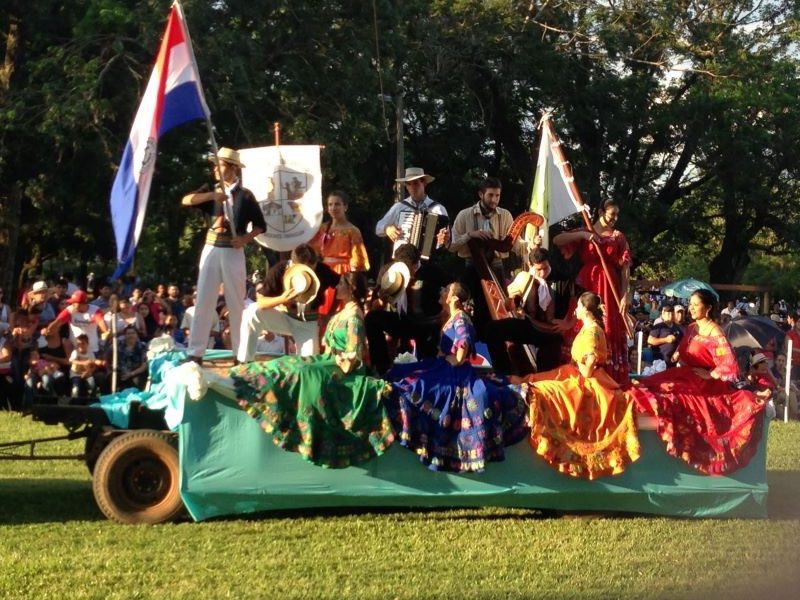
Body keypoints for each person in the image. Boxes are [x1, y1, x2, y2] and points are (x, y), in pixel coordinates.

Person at [229, 272, 394, 468]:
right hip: (330, 360)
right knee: (292, 364)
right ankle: (253, 376)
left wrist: (337, 360)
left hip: (343, 368)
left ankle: (304, 432)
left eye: (341, 284)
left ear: (350, 289)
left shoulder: (354, 315)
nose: (336, 287)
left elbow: (354, 356)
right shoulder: (344, 311)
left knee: (305, 373)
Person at [384, 282, 527, 472]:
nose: (442, 290)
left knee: (421, 387)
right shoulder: (453, 318)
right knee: (409, 378)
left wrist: (448, 359)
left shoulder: (460, 320)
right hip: (445, 366)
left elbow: (461, 353)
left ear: (454, 299)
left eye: (446, 290)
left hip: (455, 372)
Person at [628, 289, 766, 475]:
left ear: (707, 308)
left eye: (695, 304)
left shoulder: (715, 331)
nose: (690, 308)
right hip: (684, 374)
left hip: (703, 382)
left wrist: (710, 375)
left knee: (670, 397)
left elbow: (729, 364)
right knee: (646, 387)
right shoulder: (692, 327)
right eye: (690, 304)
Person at [510, 292, 640, 479]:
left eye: (578, 307)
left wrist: (574, 366)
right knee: (535, 380)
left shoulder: (593, 332)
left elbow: (587, 371)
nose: (576, 310)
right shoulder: (588, 329)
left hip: (588, 382)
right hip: (576, 374)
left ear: (586, 310)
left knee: (546, 390)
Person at [182, 147, 267, 365]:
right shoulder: (211, 190)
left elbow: (260, 226)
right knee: (204, 299)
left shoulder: (245, 196)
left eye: (219, 165)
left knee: (236, 302)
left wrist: (245, 239)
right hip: (211, 247)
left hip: (233, 251)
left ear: (232, 169)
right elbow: (186, 200)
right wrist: (212, 195)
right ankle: (196, 352)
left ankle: (240, 353)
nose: (215, 169)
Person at [553, 200, 632, 383]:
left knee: (607, 325)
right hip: (587, 282)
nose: (615, 219)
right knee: (581, 320)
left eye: (617, 215)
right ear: (600, 212)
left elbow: (625, 268)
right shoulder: (586, 231)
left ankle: (608, 375)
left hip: (609, 284)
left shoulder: (618, 237)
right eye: (612, 214)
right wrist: (582, 234)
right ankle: (577, 368)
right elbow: (558, 240)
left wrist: (625, 293)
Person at [237, 244, 339, 362]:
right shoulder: (280, 269)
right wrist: (281, 299)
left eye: (312, 269)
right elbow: (261, 300)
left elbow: (341, 285)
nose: (309, 273)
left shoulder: (322, 270)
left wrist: (331, 313)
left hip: (307, 322)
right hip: (283, 316)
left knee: (309, 364)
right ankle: (244, 361)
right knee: (251, 312)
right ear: (293, 264)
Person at [365, 243, 453, 374]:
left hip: (428, 324)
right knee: (372, 319)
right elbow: (375, 306)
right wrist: (381, 299)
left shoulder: (432, 272)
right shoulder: (388, 273)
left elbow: (453, 288)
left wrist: (445, 314)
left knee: (427, 360)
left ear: (415, 264)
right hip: (402, 320)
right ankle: (382, 368)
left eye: (407, 266)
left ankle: (429, 375)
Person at [481, 247, 567, 374]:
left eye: (546, 268)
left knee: (546, 372)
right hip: (532, 328)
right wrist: (512, 298)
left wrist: (568, 322)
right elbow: (508, 307)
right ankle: (505, 372)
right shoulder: (524, 278)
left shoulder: (561, 279)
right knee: (491, 329)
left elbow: (579, 301)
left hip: (550, 334)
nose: (543, 273)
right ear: (530, 265)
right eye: (539, 270)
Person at [375, 167, 449, 258]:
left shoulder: (437, 209)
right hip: (401, 259)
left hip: (428, 262)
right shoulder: (399, 207)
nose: (412, 187)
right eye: (409, 184)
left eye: (415, 183)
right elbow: (378, 227)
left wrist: (444, 240)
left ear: (424, 183)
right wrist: (387, 228)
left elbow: (449, 239)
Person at [308, 191, 370, 274]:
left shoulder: (352, 231)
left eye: (337, 204)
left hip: (343, 273)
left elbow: (358, 260)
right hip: (324, 271)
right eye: (330, 204)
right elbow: (312, 250)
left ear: (345, 207)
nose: (333, 208)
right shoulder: (322, 228)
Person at [108, 326, 148, 391]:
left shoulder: (142, 346)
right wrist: (109, 370)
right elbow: (107, 357)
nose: (131, 335)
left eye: (133, 333)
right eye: (128, 333)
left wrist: (131, 374)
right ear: (124, 335)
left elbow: (144, 365)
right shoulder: (117, 344)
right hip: (120, 372)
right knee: (111, 377)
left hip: (135, 372)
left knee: (138, 380)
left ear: (137, 335)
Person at [69, 333, 104, 398]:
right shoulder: (75, 352)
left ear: (87, 344)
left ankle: (93, 398)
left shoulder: (90, 353)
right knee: (76, 388)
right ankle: (74, 401)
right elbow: (71, 360)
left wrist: (88, 372)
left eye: (83, 343)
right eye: (78, 344)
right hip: (76, 374)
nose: (80, 346)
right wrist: (83, 363)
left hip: (87, 374)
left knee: (92, 384)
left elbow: (94, 366)